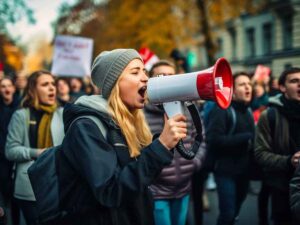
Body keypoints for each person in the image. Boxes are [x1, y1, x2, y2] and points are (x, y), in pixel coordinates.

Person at [51, 49, 188, 225]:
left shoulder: (125, 122)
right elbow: (110, 191)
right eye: (135, 72)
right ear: (114, 83)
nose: (145, 78)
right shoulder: (85, 127)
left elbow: (134, 174)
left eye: (144, 71)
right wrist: (160, 146)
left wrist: (162, 145)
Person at [144, 60, 206, 225]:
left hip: (184, 188)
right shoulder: (140, 115)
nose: (168, 80)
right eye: (162, 76)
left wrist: (194, 163)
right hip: (157, 191)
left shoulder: (187, 109)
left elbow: (201, 138)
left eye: (172, 76)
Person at [5, 70, 65, 225]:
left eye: (53, 84)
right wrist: (38, 153)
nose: (52, 88)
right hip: (29, 188)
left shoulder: (63, 114)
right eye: (45, 84)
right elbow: (10, 150)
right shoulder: (21, 115)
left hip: (58, 185)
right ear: (33, 90)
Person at [206, 72, 254, 225]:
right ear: (232, 92)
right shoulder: (222, 110)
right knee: (227, 215)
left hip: (244, 171)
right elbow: (213, 140)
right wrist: (247, 137)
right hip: (225, 172)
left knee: (235, 212)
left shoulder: (248, 111)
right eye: (242, 84)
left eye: (249, 84)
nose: (248, 87)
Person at [255, 67, 300, 225]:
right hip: (281, 188)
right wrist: (289, 161)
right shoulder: (270, 115)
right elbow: (260, 154)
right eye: (294, 81)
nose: (299, 85)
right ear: (282, 87)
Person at [0, 78, 19, 225]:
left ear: (13, 88)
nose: (6, 89)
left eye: (9, 86)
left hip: (17, 160)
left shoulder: (21, 108)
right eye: (2, 86)